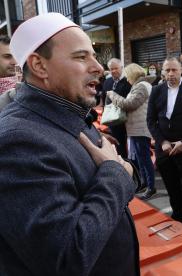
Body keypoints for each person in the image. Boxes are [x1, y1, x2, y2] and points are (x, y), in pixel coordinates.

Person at [0, 13, 139, 275]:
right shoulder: (16, 141)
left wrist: (125, 173)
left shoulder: (70, 113)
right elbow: (67, 257)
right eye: (81, 56)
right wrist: (115, 174)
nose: (98, 67)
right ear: (40, 66)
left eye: (94, 56)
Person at [147, 56, 182, 229]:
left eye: (174, 70)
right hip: (164, 149)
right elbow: (151, 120)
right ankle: (177, 218)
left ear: (181, 70)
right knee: (172, 186)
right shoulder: (156, 90)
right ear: (162, 72)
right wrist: (162, 141)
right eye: (167, 70)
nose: (170, 73)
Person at [107, 63, 156, 200]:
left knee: (144, 159)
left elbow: (129, 104)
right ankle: (145, 183)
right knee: (141, 158)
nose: (127, 78)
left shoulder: (142, 86)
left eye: (128, 75)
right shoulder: (140, 85)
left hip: (141, 128)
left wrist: (113, 95)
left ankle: (151, 187)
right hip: (136, 128)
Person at [101, 58, 132, 158]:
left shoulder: (129, 81)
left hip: (127, 119)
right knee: (116, 143)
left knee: (129, 146)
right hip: (112, 120)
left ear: (122, 68)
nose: (113, 71)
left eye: (116, 68)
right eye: (111, 69)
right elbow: (103, 100)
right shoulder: (107, 82)